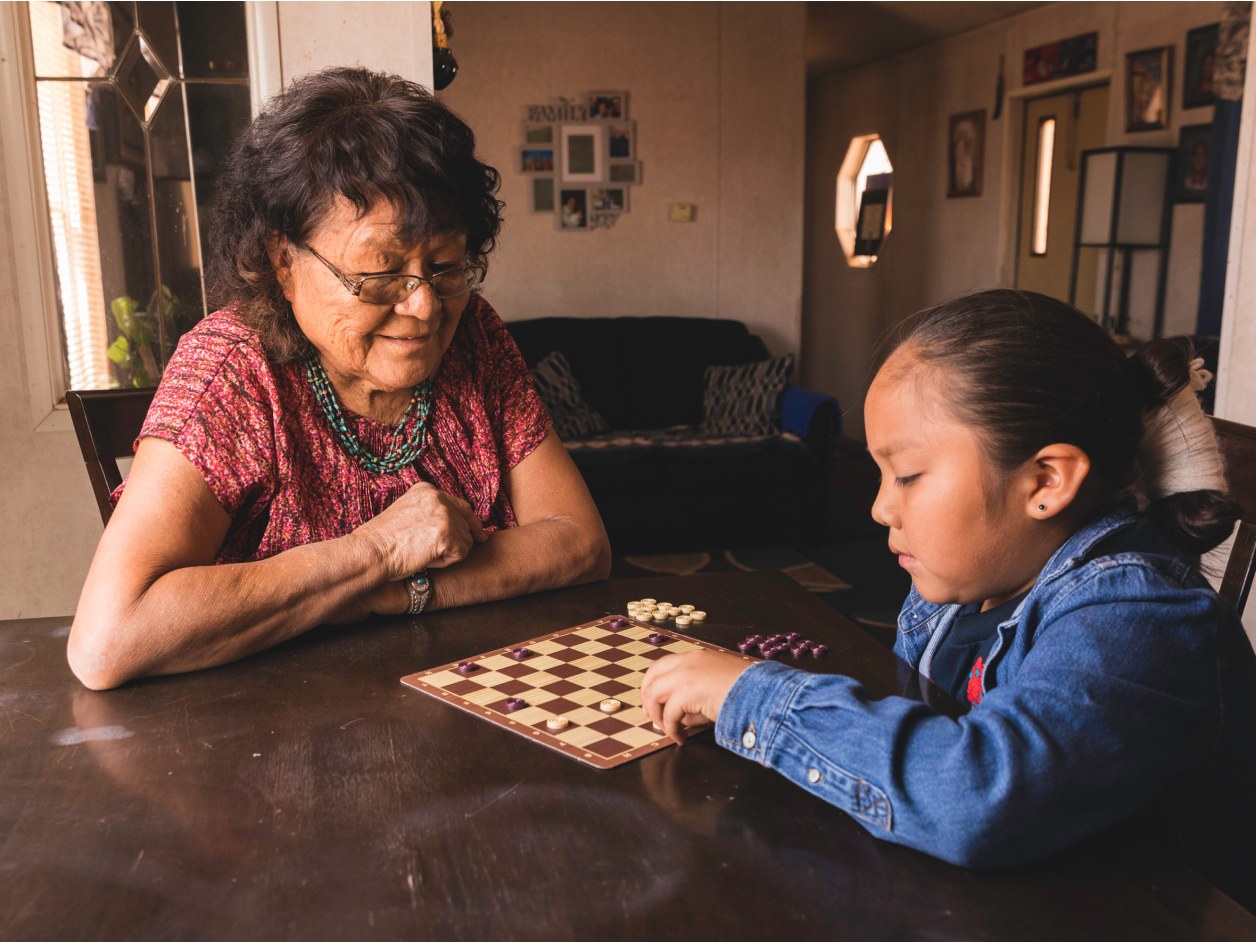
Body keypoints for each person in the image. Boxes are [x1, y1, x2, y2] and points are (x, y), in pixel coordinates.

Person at [641, 289, 1256, 910]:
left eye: (906, 475)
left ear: (1045, 481)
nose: (879, 507)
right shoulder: (979, 578)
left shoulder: (1137, 612)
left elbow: (976, 795)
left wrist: (752, 695)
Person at [69, 68, 611, 690]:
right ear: (284, 260)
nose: (425, 307)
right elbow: (108, 640)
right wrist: (375, 552)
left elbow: (579, 542)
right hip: (270, 728)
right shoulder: (232, 369)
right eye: (379, 273)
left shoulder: (475, 337)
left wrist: (381, 594)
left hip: (466, 699)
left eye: (446, 267)